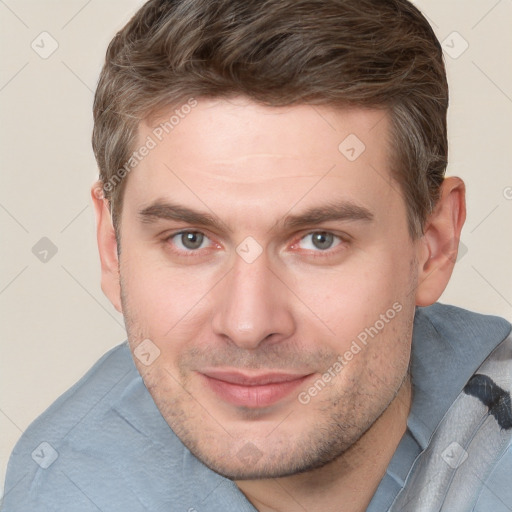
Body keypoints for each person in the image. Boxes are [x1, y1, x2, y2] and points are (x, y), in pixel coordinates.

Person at [2, 0, 511, 510]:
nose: (248, 325)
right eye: (190, 239)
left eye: (319, 240)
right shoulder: (62, 485)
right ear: (112, 248)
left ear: (434, 244)